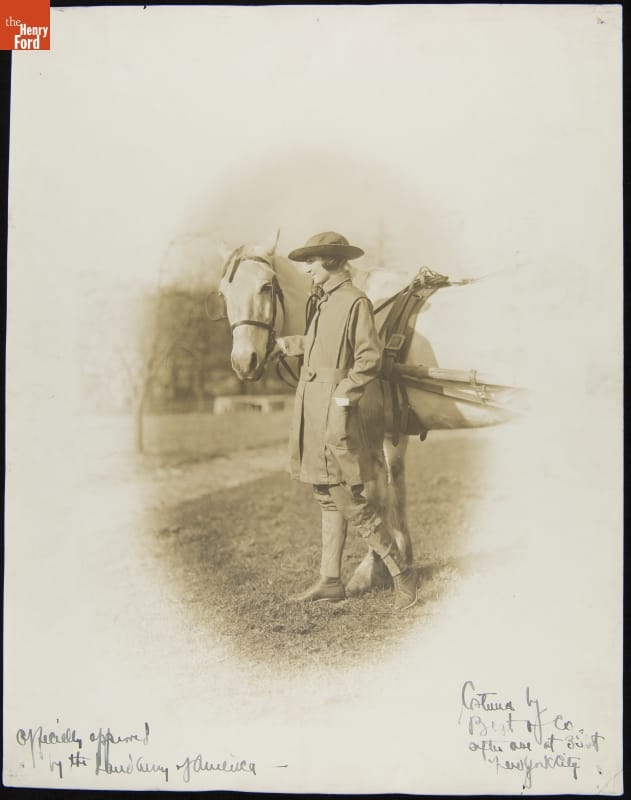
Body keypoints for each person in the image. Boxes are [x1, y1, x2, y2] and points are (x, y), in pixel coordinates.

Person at [275, 231, 418, 612]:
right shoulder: (323, 301)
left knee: (347, 499)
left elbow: (368, 358)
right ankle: (330, 581)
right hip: (311, 407)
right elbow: (321, 346)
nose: (307, 269)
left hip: (336, 411)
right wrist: (289, 345)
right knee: (325, 494)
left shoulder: (355, 301)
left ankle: (402, 575)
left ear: (330, 261)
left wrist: (343, 396)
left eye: (311, 262)